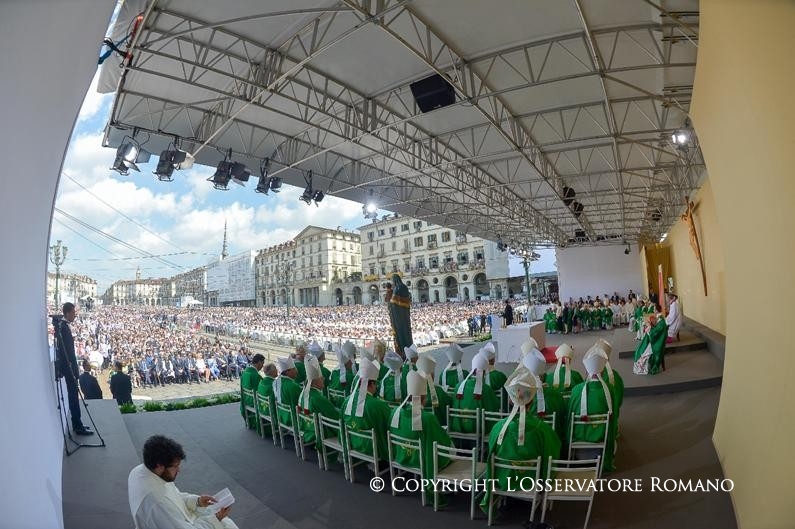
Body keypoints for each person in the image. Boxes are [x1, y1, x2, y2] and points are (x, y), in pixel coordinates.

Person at [480, 369, 561, 514]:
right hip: (531, 481)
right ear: (532, 400)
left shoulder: (498, 428)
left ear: (511, 400)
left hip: (504, 479)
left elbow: (490, 454)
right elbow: (552, 452)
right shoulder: (542, 428)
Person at [128, 435, 239, 529]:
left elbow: (174, 497)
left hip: (180, 520)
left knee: (224, 522)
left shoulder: (141, 470)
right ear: (159, 465)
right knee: (225, 523)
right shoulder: (156, 501)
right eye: (175, 466)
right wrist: (216, 519)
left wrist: (197, 501)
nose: (179, 470)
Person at [389, 370, 454, 503]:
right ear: (424, 398)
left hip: (401, 455)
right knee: (450, 446)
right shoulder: (427, 418)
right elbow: (440, 441)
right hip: (420, 460)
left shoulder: (395, 412)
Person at [568, 350, 619, 473]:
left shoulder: (576, 390)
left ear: (586, 370)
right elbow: (614, 416)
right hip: (601, 437)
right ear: (602, 370)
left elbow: (570, 417)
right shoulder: (609, 390)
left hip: (579, 437)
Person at [342, 359, 392, 461]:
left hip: (352, 441)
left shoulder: (347, 400)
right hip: (372, 447)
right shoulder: (377, 405)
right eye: (376, 384)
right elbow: (389, 425)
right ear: (372, 384)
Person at [55, 303, 93, 435]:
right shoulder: (63, 328)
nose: (75, 315)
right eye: (73, 313)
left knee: (73, 396)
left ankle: (78, 424)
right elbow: (67, 353)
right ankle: (77, 426)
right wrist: (73, 370)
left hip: (69, 368)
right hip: (69, 369)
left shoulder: (63, 327)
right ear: (67, 313)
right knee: (73, 397)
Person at [297, 354, 339, 445]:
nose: (323, 379)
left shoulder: (303, 394)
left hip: (307, 429)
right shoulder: (318, 398)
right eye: (321, 378)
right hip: (321, 432)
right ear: (315, 383)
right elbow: (334, 416)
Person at [388, 274, 413, 354]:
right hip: (405, 313)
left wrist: (389, 304)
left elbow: (393, 302)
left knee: (400, 331)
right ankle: (410, 348)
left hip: (398, 315)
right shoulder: (404, 287)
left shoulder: (397, 288)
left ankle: (403, 350)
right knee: (406, 331)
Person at [240, 354, 264, 431]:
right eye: (262, 363)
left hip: (246, 399)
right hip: (253, 401)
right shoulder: (255, 375)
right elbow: (261, 391)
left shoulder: (245, 371)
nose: (262, 366)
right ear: (259, 362)